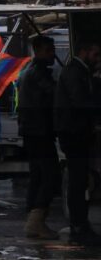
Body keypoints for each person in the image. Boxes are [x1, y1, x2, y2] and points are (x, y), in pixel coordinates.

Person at [54, 40, 101, 245]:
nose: (97, 59)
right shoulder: (74, 72)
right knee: (78, 181)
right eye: (95, 54)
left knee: (80, 180)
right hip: (74, 134)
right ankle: (79, 225)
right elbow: (80, 101)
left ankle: (80, 224)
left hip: (75, 133)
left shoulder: (77, 71)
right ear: (84, 51)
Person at [18, 35, 60, 239]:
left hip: (31, 131)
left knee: (37, 176)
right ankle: (36, 221)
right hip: (40, 131)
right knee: (50, 176)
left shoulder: (26, 72)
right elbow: (55, 95)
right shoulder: (38, 74)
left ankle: (33, 220)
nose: (53, 55)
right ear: (39, 51)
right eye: (49, 50)